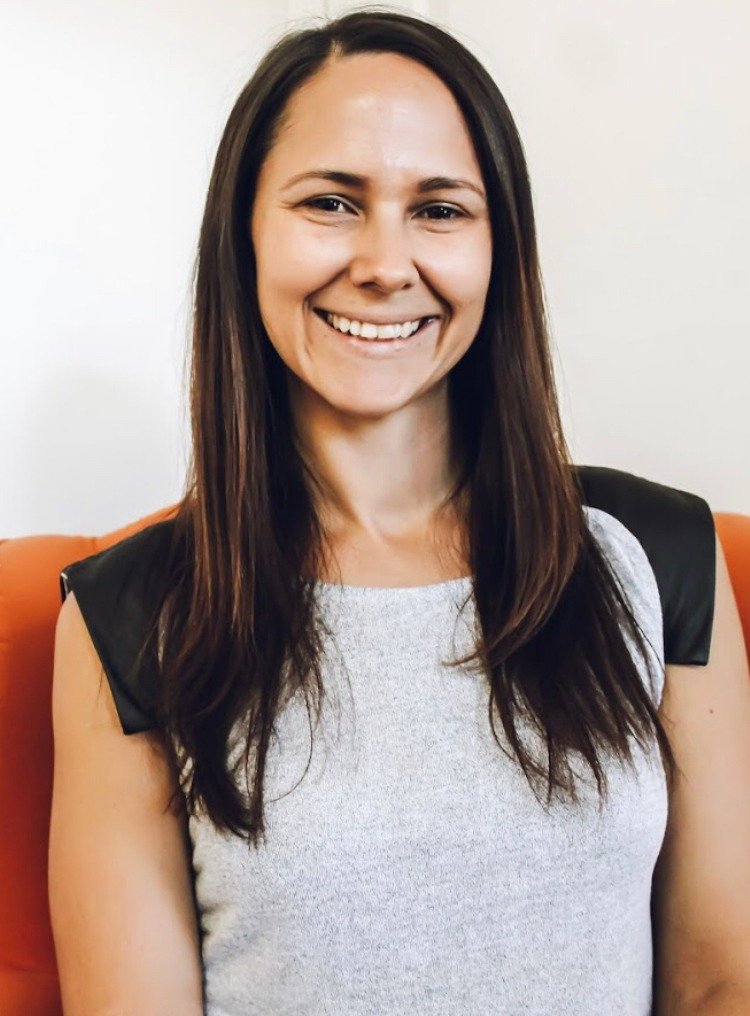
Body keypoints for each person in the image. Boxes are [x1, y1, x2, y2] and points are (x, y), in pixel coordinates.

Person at [48, 9, 750, 1016]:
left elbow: (722, 975)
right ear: (245, 229)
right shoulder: (130, 615)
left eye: (440, 209)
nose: (385, 261)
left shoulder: (655, 556)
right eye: (331, 201)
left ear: (498, 246)